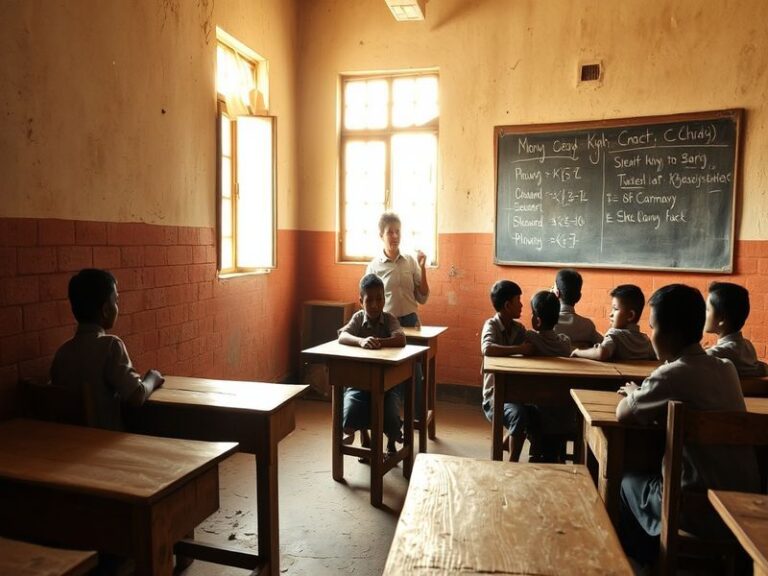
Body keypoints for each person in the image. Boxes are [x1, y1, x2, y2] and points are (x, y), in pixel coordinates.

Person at [615, 284, 760, 568]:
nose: (651, 334)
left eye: (653, 327)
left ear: (670, 335)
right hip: (739, 505)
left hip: (696, 509)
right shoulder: (726, 368)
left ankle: (646, 564)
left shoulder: (671, 375)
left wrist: (634, 393)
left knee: (626, 482)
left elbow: (623, 414)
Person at [50, 268, 164, 431]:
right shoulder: (111, 346)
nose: (117, 307)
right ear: (105, 310)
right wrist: (152, 378)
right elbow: (136, 396)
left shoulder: (62, 353)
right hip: (105, 440)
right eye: (116, 301)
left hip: (71, 442)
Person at [366, 211, 429, 411]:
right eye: (389, 232)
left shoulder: (410, 261)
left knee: (415, 370)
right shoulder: (374, 266)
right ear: (381, 236)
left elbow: (423, 297)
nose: (394, 236)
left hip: (410, 321)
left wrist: (423, 268)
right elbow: (367, 300)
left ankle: (416, 417)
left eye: (398, 232)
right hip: (387, 325)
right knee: (390, 371)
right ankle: (391, 416)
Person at [338, 273, 406, 454]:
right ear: (361, 301)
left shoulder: (389, 318)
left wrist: (379, 342)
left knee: (391, 419)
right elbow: (342, 335)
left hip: (387, 385)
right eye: (369, 300)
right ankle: (363, 435)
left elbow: (401, 339)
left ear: (385, 299)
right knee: (350, 414)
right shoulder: (358, 318)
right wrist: (361, 341)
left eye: (379, 299)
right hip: (360, 384)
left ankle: (391, 442)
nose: (375, 305)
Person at [480, 280, 535, 461]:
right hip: (494, 396)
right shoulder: (491, 325)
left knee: (536, 411)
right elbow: (487, 348)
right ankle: (512, 464)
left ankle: (509, 440)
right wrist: (519, 349)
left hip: (516, 393)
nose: (521, 304)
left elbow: (530, 347)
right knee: (519, 415)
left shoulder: (519, 329)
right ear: (507, 305)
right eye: (518, 300)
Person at [525, 290, 573, 462]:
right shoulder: (565, 343)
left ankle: (537, 450)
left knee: (530, 409)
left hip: (538, 412)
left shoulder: (530, 338)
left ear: (536, 321)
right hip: (564, 412)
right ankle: (555, 455)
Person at [571, 284, 655, 361]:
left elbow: (601, 353)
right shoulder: (646, 340)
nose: (610, 314)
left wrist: (577, 352)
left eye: (615, 309)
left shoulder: (614, 335)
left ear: (630, 315)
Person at [704, 281, 767, 377]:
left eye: (707, 310)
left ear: (721, 319)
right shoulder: (748, 346)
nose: (703, 314)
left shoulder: (715, 355)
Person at [552, 268, 602, 346]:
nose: (551, 289)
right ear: (579, 297)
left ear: (556, 293)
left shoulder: (548, 324)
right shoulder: (588, 325)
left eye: (553, 287)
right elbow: (604, 345)